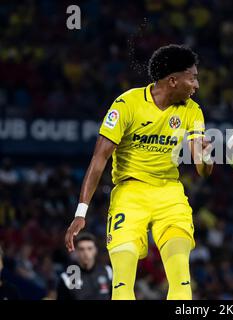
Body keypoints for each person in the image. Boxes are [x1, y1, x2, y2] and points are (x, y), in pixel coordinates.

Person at [64, 44, 213, 300]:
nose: (197, 85)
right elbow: (99, 159)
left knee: (181, 281)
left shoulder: (192, 111)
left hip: (170, 195)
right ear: (174, 80)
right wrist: (81, 212)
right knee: (122, 286)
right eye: (193, 78)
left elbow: (201, 168)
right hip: (129, 195)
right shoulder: (127, 104)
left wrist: (207, 156)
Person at [57, 233, 112, 300]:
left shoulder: (107, 271)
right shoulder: (67, 277)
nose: (86, 253)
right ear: (76, 251)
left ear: (95, 250)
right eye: (81, 249)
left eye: (89, 248)